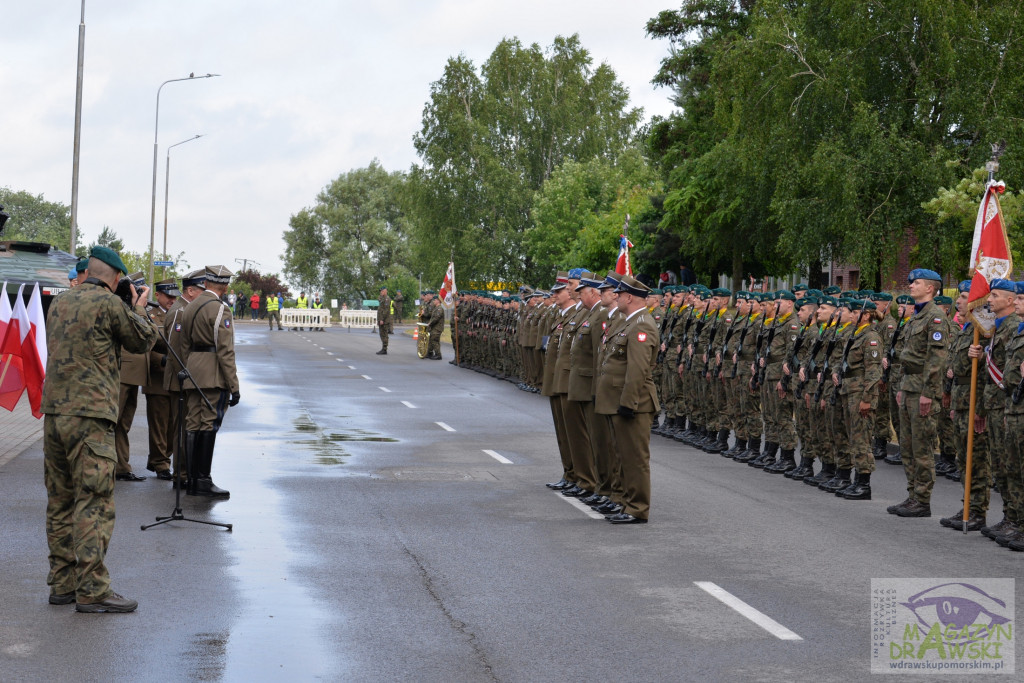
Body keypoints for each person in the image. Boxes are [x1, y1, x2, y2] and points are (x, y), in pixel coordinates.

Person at [41, 245, 156, 613]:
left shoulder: (60, 303)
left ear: (89, 271)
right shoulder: (110, 305)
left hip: (55, 415)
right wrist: (136, 306)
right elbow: (143, 339)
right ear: (117, 278)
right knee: (93, 501)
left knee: (60, 499)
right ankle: (92, 589)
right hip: (91, 417)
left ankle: (63, 583)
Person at [595, 274, 660, 524]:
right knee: (622, 456)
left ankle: (637, 507)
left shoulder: (641, 324)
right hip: (619, 399)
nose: (615, 297)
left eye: (619, 294)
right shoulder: (627, 322)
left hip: (635, 402)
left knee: (634, 458)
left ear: (629, 296)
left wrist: (628, 402)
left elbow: (637, 369)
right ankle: (624, 501)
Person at [889, 268, 949, 518]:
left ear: (931, 289)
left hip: (922, 390)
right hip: (909, 386)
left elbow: (936, 360)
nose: (911, 285)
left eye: (917, 283)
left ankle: (922, 500)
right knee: (907, 444)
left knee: (922, 446)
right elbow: (907, 358)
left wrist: (928, 393)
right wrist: (903, 387)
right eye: (911, 281)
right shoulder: (916, 316)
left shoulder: (935, 317)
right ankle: (913, 494)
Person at [180, 265, 240, 498]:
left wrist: (190, 368)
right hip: (213, 374)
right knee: (208, 424)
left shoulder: (190, 306)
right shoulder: (220, 309)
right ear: (224, 286)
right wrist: (234, 386)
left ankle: (192, 479)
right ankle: (203, 479)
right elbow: (225, 351)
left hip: (193, 371)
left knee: (193, 423)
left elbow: (184, 344)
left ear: (206, 283)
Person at [163, 269, 207, 486]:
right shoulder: (180, 311)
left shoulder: (186, 309)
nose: (205, 295)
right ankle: (180, 474)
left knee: (185, 427)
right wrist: (187, 375)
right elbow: (175, 350)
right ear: (190, 291)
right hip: (179, 379)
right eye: (202, 290)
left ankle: (185, 472)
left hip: (184, 377)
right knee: (181, 429)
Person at [113, 272, 153, 482]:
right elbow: (143, 334)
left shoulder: (133, 310)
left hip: (133, 375)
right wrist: (139, 308)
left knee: (123, 424)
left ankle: (121, 467)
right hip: (122, 374)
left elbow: (152, 338)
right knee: (113, 422)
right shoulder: (122, 309)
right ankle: (107, 466)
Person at [142, 278, 180, 480]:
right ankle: (160, 464)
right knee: (159, 425)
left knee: (174, 426)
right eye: (168, 296)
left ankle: (164, 458)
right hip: (158, 378)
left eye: (175, 297)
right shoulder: (149, 315)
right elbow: (143, 348)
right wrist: (162, 360)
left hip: (176, 379)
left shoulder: (181, 315)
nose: (172, 300)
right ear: (158, 295)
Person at [376, 286, 391, 355]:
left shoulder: (387, 299)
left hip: (385, 320)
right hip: (381, 319)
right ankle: (383, 348)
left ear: (385, 291)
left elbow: (385, 310)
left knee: (384, 334)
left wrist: (382, 319)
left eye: (382, 291)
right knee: (381, 334)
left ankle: (384, 349)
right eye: (380, 291)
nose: (380, 292)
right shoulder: (382, 298)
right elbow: (379, 300)